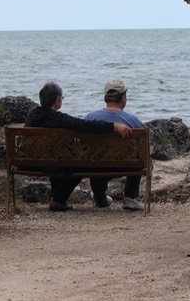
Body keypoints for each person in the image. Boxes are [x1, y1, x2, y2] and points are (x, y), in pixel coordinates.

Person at [25, 81, 132, 212]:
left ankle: (58, 200)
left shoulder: (32, 116)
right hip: (51, 162)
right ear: (58, 100)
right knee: (77, 162)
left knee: (58, 158)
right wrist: (113, 126)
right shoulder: (58, 119)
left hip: (29, 161)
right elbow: (84, 126)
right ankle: (58, 200)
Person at [85, 79, 146, 211]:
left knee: (96, 157)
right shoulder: (133, 120)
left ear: (105, 97)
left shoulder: (90, 118)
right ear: (123, 98)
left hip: (95, 165)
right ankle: (130, 198)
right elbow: (143, 147)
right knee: (139, 157)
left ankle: (100, 197)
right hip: (126, 165)